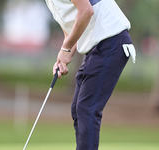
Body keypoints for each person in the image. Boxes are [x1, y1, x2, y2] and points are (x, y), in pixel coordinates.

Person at [45, 0, 136, 149]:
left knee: (87, 108)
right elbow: (71, 30)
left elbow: (86, 11)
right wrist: (63, 56)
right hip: (98, 46)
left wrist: (66, 49)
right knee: (78, 108)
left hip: (111, 39)